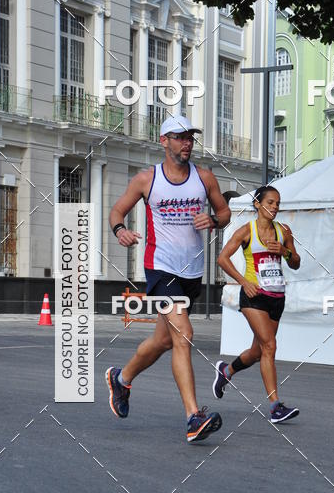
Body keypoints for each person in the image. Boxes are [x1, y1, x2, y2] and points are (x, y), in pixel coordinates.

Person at [105, 115, 231, 443]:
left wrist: (214, 219)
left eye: (190, 136)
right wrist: (121, 231)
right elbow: (116, 211)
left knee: (164, 341)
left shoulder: (204, 178)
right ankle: (193, 417)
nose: (186, 142)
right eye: (179, 137)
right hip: (160, 269)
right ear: (164, 141)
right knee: (184, 335)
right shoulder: (147, 180)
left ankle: (122, 378)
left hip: (192, 273)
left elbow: (224, 212)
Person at [214, 185, 301, 423]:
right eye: (270, 202)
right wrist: (243, 282)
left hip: (277, 297)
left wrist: (284, 251)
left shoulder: (283, 231)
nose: (275, 207)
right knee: (270, 346)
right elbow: (222, 258)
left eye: (277, 203)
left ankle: (227, 371)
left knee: (256, 352)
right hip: (253, 295)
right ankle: (275, 406)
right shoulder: (246, 231)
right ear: (257, 204)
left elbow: (296, 263)